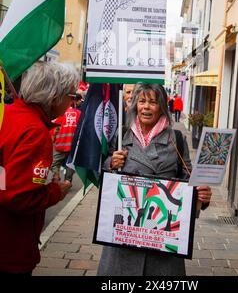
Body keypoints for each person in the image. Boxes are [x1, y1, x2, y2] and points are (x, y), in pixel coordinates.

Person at [97, 83, 212, 277]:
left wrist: (202, 195)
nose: (146, 107)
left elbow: (188, 179)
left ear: (162, 107)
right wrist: (110, 163)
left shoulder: (176, 138)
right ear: (135, 105)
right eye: (141, 101)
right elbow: (103, 179)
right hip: (124, 233)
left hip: (162, 237)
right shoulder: (121, 135)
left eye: (153, 102)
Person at [0, 61, 79, 276]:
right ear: (55, 97)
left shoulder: (9, 114)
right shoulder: (35, 132)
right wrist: (55, 191)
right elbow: (17, 196)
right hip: (10, 247)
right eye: (71, 97)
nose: (71, 104)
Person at [50, 97, 81, 182]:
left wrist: (53, 139)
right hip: (73, 146)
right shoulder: (79, 113)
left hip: (60, 144)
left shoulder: (60, 113)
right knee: (70, 164)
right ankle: (67, 181)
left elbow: (54, 128)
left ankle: (56, 176)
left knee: (54, 163)